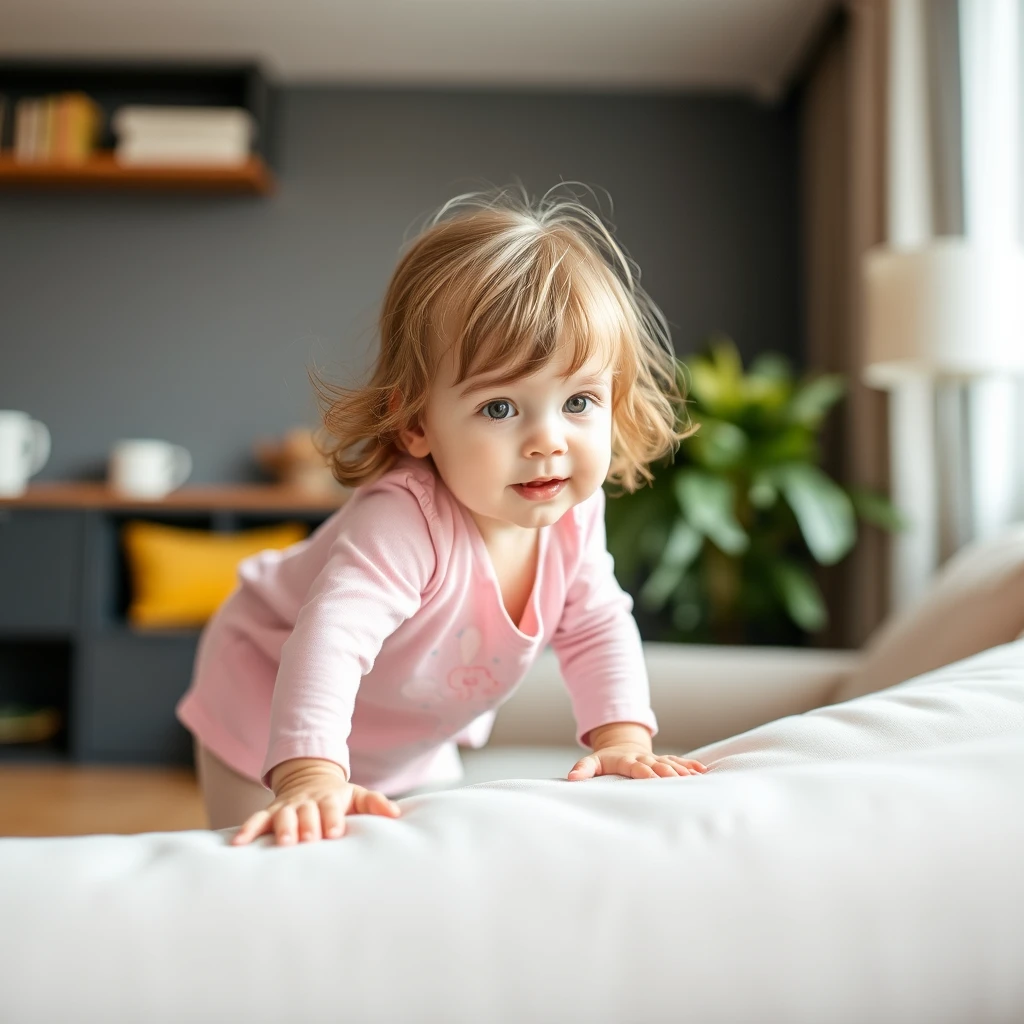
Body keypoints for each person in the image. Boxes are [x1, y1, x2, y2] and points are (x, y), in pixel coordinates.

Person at [175, 182, 708, 847]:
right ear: (417, 422)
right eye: (500, 408)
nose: (548, 440)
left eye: (578, 402)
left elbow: (597, 625)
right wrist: (308, 774)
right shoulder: (403, 521)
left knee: (427, 871)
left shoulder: (576, 514)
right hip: (265, 709)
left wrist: (623, 739)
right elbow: (332, 638)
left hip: (409, 736)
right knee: (278, 864)